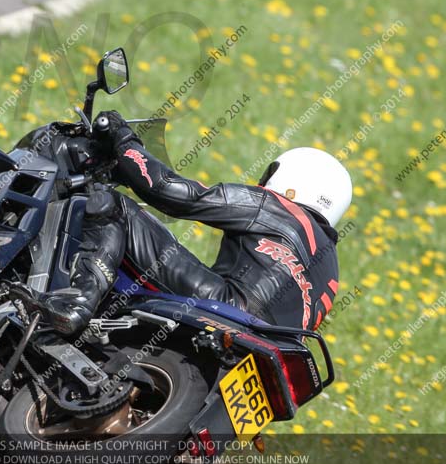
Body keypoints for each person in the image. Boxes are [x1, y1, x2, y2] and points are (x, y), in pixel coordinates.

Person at [35, 110, 353, 335]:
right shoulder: (331, 270)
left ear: (292, 179)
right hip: (264, 347)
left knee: (114, 207)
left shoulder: (280, 208)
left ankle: (80, 301)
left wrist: (123, 140)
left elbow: (176, 194)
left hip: (226, 310)